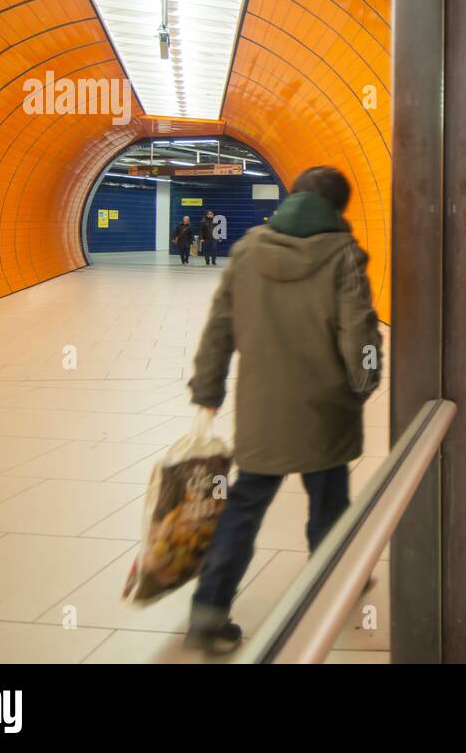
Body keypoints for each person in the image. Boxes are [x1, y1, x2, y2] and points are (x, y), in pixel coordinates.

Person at [184, 166, 381, 655]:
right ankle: (334, 581)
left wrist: (208, 389)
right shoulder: (342, 255)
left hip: (262, 411)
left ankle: (208, 611)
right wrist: (365, 383)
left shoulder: (248, 251)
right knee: (330, 501)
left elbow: (218, 329)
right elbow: (360, 336)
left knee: (244, 507)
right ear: (339, 208)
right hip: (325, 410)